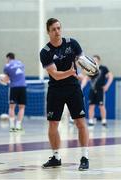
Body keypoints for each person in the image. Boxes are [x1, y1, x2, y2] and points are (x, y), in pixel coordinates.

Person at [40, 18, 89, 170]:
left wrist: (88, 68)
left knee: (80, 122)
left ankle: (84, 157)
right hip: (56, 90)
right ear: (48, 32)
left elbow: (82, 60)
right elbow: (55, 74)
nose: (57, 32)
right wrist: (70, 72)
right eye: (53, 29)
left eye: (59, 28)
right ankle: (56, 157)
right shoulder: (45, 52)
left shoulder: (72, 43)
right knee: (53, 124)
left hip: (73, 88)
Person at [81, 55, 113, 127]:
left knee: (101, 105)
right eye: (93, 60)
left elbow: (110, 76)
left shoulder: (103, 68)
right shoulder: (90, 68)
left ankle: (104, 121)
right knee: (91, 106)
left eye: (95, 60)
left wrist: (107, 86)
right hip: (92, 90)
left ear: (99, 61)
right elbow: (86, 78)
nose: (94, 61)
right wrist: (82, 86)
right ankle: (91, 121)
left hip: (100, 90)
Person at [3, 52, 26, 132]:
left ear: (8, 58)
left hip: (14, 87)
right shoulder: (21, 64)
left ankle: (12, 127)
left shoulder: (7, 66)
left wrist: (1, 80)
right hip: (23, 87)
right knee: (22, 107)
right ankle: (18, 126)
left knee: (11, 107)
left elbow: (6, 79)